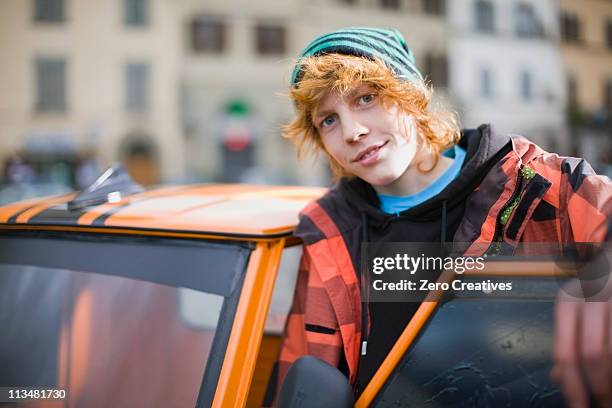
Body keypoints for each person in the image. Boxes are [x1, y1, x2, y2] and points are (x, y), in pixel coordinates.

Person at [265, 27, 612, 408]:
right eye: (328, 120)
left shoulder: (537, 185)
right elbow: (300, 373)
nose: (352, 131)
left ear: (411, 96)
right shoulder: (327, 233)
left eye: (366, 98)